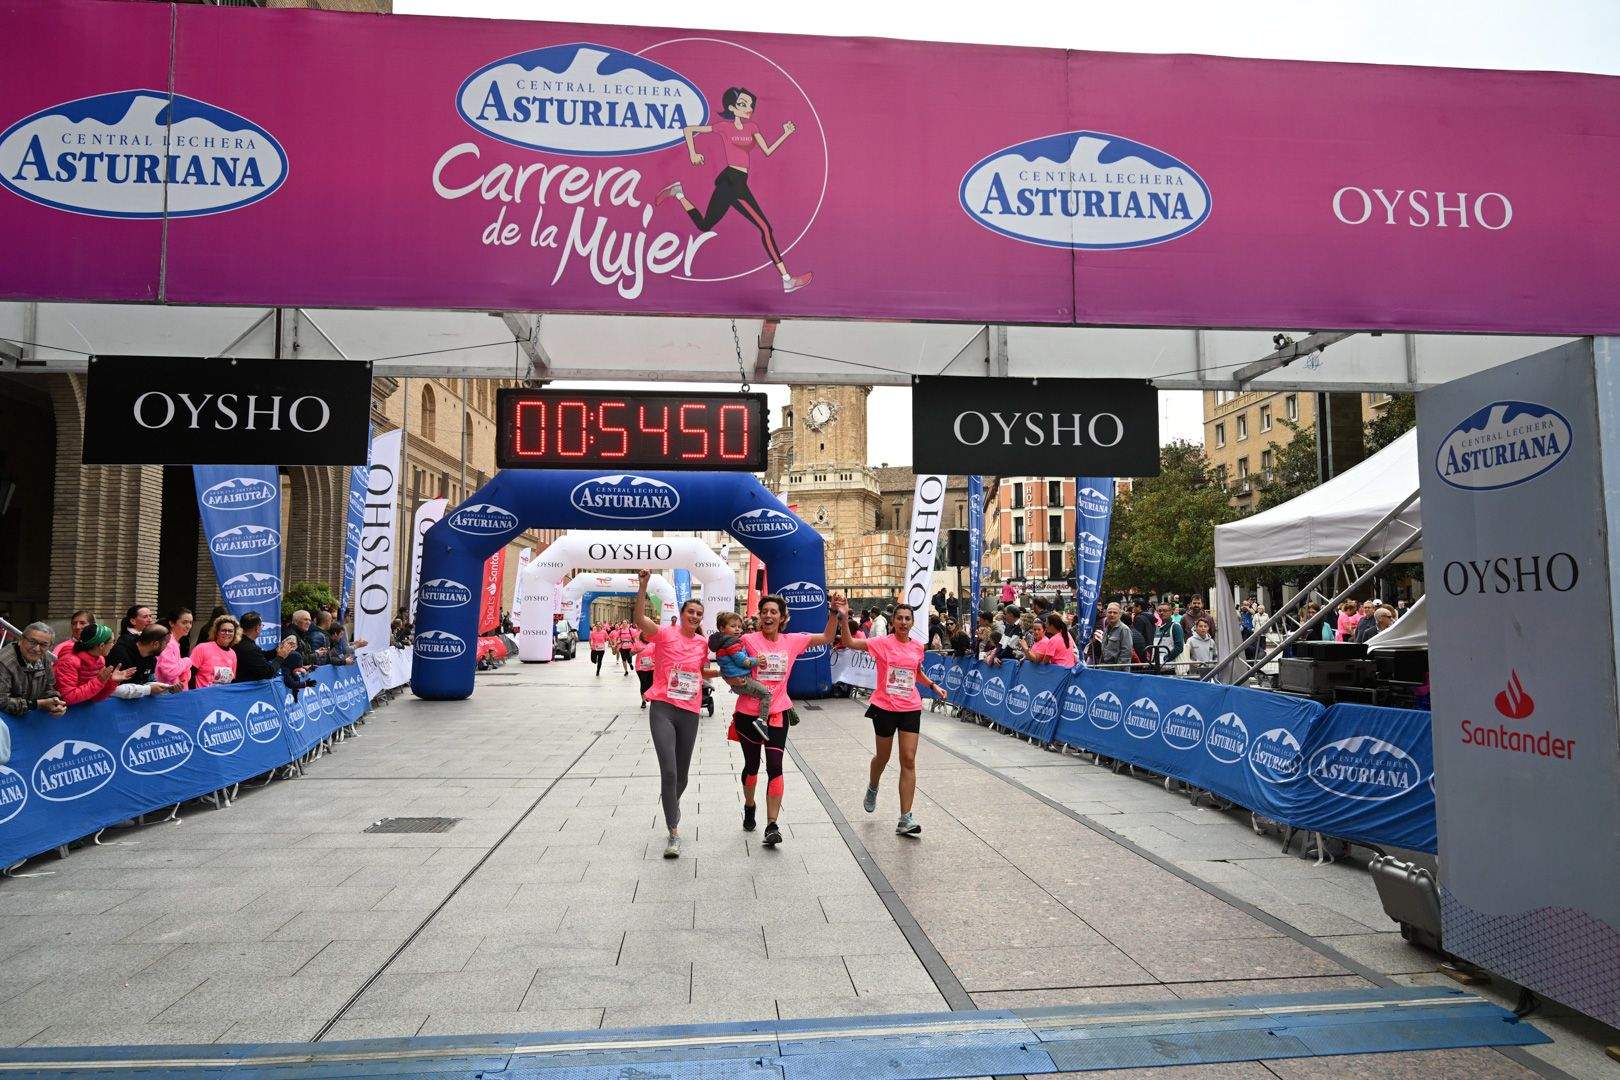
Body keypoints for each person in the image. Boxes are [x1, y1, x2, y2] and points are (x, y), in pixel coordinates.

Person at [658, 86, 813, 294]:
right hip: (732, 181)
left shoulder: (753, 128)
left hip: (735, 182)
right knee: (765, 228)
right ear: (732, 107)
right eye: (742, 104)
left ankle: (678, 193)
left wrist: (785, 134)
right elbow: (689, 130)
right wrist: (693, 153)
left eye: (750, 105)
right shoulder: (724, 127)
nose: (748, 108)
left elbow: (767, 151)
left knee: (705, 225)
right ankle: (786, 279)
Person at [730, 591, 840, 847]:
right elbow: (726, 661)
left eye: (774, 612)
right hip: (749, 713)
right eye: (764, 612)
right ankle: (749, 805)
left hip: (778, 713)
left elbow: (825, 637)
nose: (768, 616)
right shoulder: (747, 640)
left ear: (782, 618)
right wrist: (732, 679)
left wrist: (833, 613)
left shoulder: (792, 641)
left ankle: (772, 824)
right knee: (751, 767)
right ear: (759, 617)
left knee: (775, 767)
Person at [836, 601, 944, 836]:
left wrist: (932, 685)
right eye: (900, 618)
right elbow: (850, 643)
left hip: (910, 707)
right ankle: (873, 785)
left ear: (912, 623)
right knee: (882, 758)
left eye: (908, 619)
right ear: (893, 621)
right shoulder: (882, 643)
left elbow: (915, 672)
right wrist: (843, 619)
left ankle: (905, 818)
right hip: (884, 707)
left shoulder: (917, 647)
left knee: (908, 759)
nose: (903, 622)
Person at [633, 572, 719, 859]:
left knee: (681, 775)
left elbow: (702, 671)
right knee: (668, 771)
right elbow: (639, 621)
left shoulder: (702, 645)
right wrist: (643, 587)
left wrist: (726, 674)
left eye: (699, 614)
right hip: (663, 709)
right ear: (681, 614)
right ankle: (673, 831)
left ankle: (672, 804)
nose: (694, 616)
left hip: (690, 711)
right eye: (691, 612)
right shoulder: (664, 633)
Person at [708, 612, 772, 740]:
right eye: (733, 626)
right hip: (743, 680)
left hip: (737, 681)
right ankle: (762, 721)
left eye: (739, 626)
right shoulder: (731, 643)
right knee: (766, 694)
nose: (738, 629)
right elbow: (743, 662)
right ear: (722, 628)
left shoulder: (723, 643)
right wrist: (757, 661)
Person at [55, 623, 134, 706]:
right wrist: (99, 681)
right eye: (112, 642)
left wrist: (112, 682)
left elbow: (95, 697)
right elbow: (68, 697)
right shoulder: (69, 662)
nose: (113, 645)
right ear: (101, 645)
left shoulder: (100, 660)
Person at [1, 622, 66, 719]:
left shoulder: (45, 658)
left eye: (44, 645)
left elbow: (49, 687)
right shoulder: (4, 662)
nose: (36, 649)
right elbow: (2, 701)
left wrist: (57, 702)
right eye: (32, 642)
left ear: (50, 646)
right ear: (21, 639)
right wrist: (37, 704)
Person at [234, 611, 297, 682]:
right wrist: (280, 657)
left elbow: (260, 656)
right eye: (261, 625)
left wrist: (277, 650)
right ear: (257, 629)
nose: (261, 628)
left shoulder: (241, 642)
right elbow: (268, 673)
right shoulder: (249, 648)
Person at [191, 615, 240, 689]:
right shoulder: (202, 648)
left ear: (235, 634)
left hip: (221, 697)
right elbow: (189, 674)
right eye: (223, 630)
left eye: (230, 631)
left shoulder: (232, 654)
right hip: (201, 696)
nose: (227, 633)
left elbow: (231, 680)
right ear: (217, 632)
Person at [155, 608, 193, 686]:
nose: (188, 626)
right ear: (172, 623)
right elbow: (170, 672)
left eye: (190, 622)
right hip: (164, 693)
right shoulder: (168, 642)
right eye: (184, 622)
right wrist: (187, 661)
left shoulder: (173, 641)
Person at [1148, 602, 1185, 669]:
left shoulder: (1176, 626)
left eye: (1165, 611)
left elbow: (1179, 647)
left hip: (1170, 668)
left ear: (1171, 612)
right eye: (1159, 611)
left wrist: (1165, 659)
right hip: (1157, 666)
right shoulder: (1157, 628)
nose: (1162, 613)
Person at [631, 628, 656, 709]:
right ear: (641, 636)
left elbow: (657, 654)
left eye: (647, 635)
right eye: (644, 635)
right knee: (643, 683)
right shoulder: (638, 643)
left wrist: (655, 661)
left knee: (650, 684)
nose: (645, 636)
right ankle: (643, 701)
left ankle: (648, 696)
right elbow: (630, 654)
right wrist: (637, 651)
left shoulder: (653, 644)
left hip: (651, 667)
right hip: (640, 667)